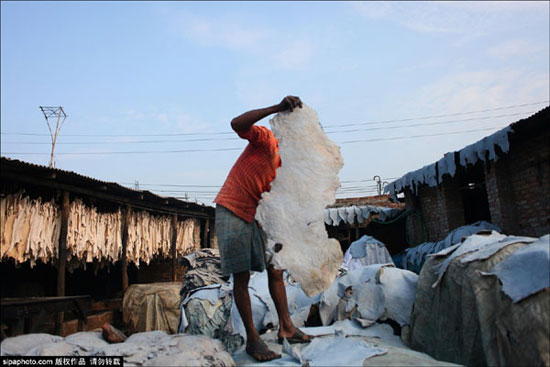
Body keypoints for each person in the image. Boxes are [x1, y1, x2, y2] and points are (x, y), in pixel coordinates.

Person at [214, 96, 313, 361]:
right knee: (241, 276)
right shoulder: (266, 139)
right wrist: (275, 108)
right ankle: (253, 339)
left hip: (258, 215)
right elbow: (237, 123)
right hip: (233, 208)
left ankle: (286, 327)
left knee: (276, 267)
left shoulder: (290, 166)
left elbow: (281, 201)